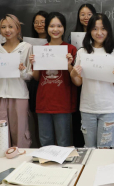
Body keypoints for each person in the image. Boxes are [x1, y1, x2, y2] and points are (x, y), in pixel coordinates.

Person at [70, 13, 114, 148]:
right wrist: (73, 74)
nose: (99, 33)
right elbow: (79, 82)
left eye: (103, 29)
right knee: (89, 149)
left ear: (108, 31)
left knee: (106, 150)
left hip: (109, 108)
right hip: (87, 107)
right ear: (89, 31)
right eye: (95, 29)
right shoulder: (82, 52)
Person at [0, 14, 32, 148]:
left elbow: (30, 75)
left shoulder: (26, 47)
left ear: (18, 29)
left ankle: (20, 163)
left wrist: (22, 70)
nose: (7, 30)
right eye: (3, 27)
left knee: (19, 132)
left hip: (19, 95)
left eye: (10, 26)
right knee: (0, 134)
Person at [29, 12, 77, 147]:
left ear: (64, 28)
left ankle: (65, 168)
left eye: (59, 26)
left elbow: (76, 79)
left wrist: (69, 64)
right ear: (47, 28)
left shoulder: (71, 49)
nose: (55, 30)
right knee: (45, 142)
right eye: (52, 26)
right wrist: (35, 63)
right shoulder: (41, 50)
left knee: (64, 142)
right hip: (44, 102)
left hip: (63, 102)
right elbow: (37, 77)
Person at [68, 3, 96, 147]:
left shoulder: (100, 36)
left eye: (89, 14)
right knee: (80, 120)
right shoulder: (72, 37)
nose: (86, 17)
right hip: (78, 83)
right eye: (82, 14)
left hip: (95, 82)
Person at [28, 10, 48, 147]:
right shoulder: (28, 43)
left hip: (53, 83)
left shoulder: (57, 43)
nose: (39, 25)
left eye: (43, 22)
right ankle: (40, 148)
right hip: (35, 83)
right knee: (38, 122)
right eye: (36, 22)